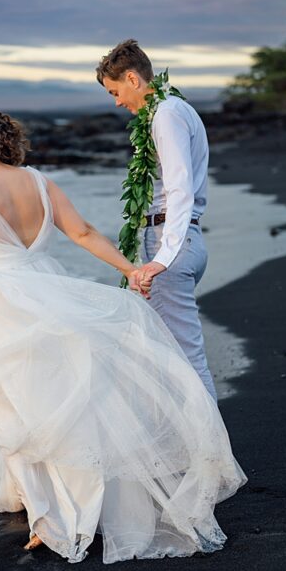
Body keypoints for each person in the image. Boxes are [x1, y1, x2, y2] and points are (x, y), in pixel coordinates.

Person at [0, 105, 245, 564]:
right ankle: (56, 504)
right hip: (51, 293)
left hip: (2, 309)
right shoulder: (38, 181)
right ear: (7, 139)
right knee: (55, 404)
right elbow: (84, 232)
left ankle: (51, 519)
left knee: (19, 407)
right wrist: (130, 270)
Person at [97, 39, 217, 398]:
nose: (117, 101)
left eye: (115, 91)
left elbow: (180, 188)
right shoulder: (176, 109)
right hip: (183, 240)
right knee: (165, 355)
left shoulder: (165, 114)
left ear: (133, 79)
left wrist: (162, 258)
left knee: (186, 359)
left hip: (170, 243)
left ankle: (211, 453)